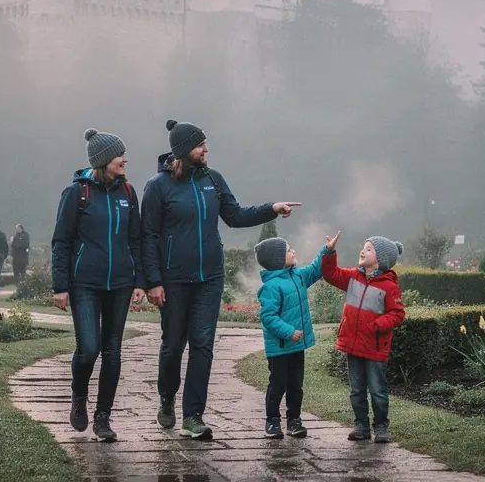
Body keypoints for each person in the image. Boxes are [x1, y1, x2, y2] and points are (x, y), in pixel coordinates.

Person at [141, 119, 301, 440]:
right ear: (184, 149)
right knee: (173, 346)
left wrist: (271, 208)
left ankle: (193, 416)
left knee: (202, 345)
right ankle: (167, 396)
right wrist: (153, 281)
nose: (206, 149)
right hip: (173, 280)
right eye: (200, 145)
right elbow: (148, 236)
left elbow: (235, 215)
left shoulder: (213, 180)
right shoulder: (158, 187)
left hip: (210, 279)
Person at [51, 129, 145, 442]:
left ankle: (103, 417)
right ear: (104, 160)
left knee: (112, 351)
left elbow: (135, 239)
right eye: (120, 155)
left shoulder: (128, 192)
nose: (125, 160)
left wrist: (140, 281)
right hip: (85, 285)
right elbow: (61, 241)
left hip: (120, 284)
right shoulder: (77, 193)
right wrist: (60, 286)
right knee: (89, 348)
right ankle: (79, 396)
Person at [322, 235, 406, 443]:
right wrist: (329, 252)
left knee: (377, 390)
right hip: (353, 346)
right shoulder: (353, 277)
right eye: (363, 247)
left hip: (375, 348)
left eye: (369, 249)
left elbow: (397, 313)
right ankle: (361, 426)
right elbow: (331, 274)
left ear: (381, 259)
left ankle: (381, 426)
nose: (362, 251)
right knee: (356, 390)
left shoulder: (389, 286)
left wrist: (379, 325)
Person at [256, 231, 339, 439]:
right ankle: (272, 421)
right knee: (278, 385)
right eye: (288, 250)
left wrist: (327, 250)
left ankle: (294, 420)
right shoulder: (271, 287)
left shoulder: (298, 276)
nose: (293, 251)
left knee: (296, 385)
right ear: (277, 260)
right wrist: (289, 332)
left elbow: (316, 269)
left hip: (297, 346)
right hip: (280, 347)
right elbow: (268, 317)